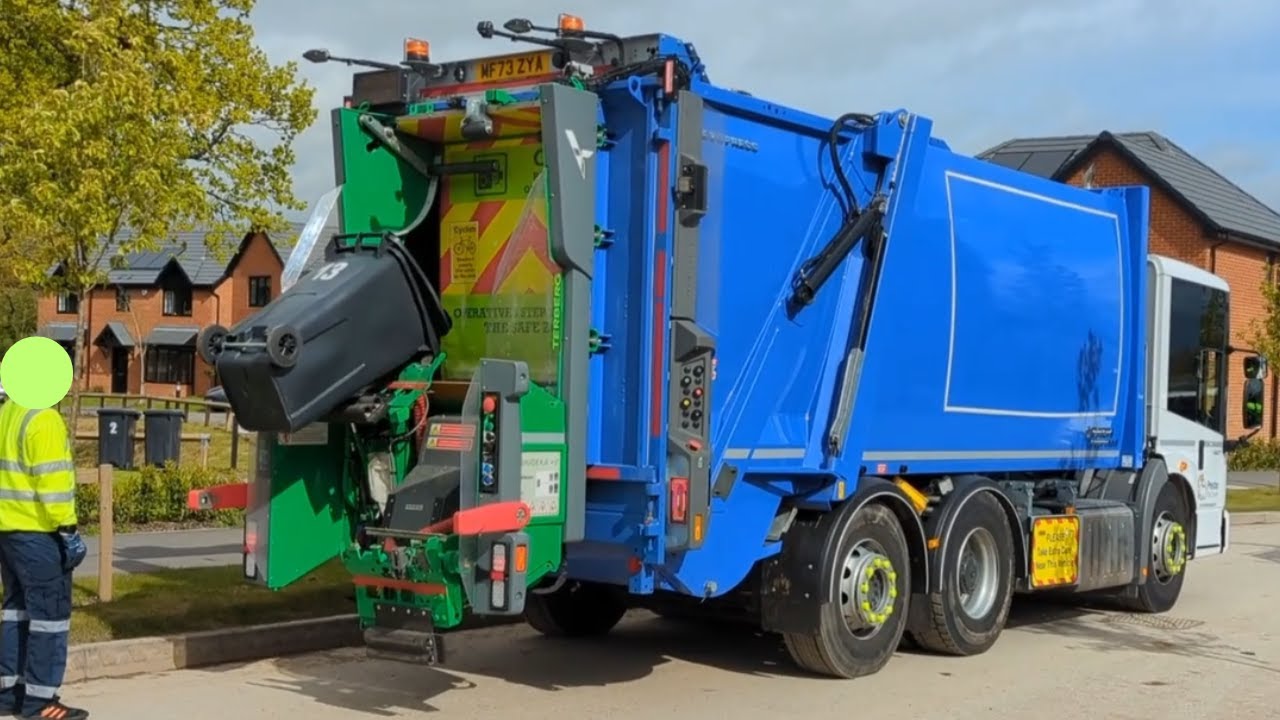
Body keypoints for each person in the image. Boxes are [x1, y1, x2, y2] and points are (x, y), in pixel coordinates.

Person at [0, 396, 88, 719]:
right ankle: (41, 702)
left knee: (16, 612)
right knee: (50, 617)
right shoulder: (44, 419)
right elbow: (53, 488)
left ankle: (9, 693)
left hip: (8, 531)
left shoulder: (8, 413)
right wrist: (67, 531)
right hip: (40, 533)